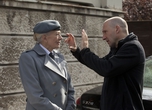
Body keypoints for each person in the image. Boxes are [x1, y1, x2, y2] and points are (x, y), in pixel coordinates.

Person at [65, 16, 145, 110]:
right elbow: (99, 64)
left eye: (105, 32)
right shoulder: (118, 48)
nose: (103, 37)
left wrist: (86, 50)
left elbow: (106, 68)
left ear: (117, 29)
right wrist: (77, 51)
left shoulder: (133, 48)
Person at [19, 20, 76, 110]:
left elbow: (70, 89)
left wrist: (70, 107)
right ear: (45, 38)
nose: (61, 38)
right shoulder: (28, 58)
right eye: (57, 34)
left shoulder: (59, 56)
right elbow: (35, 97)